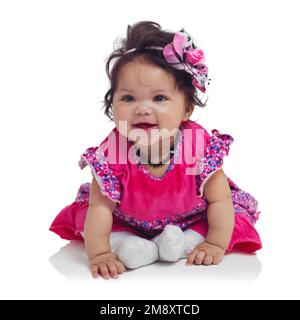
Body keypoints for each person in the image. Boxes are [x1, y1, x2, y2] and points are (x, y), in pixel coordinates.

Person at [49, 21, 262, 280]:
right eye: (128, 98)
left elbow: (219, 200)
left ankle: (182, 243)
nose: (142, 108)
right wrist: (100, 254)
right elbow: (101, 209)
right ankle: (132, 248)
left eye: (159, 98)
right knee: (90, 221)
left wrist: (215, 243)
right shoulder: (113, 152)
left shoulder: (197, 146)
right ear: (112, 106)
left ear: (186, 110)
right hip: (127, 220)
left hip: (192, 217)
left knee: (223, 221)